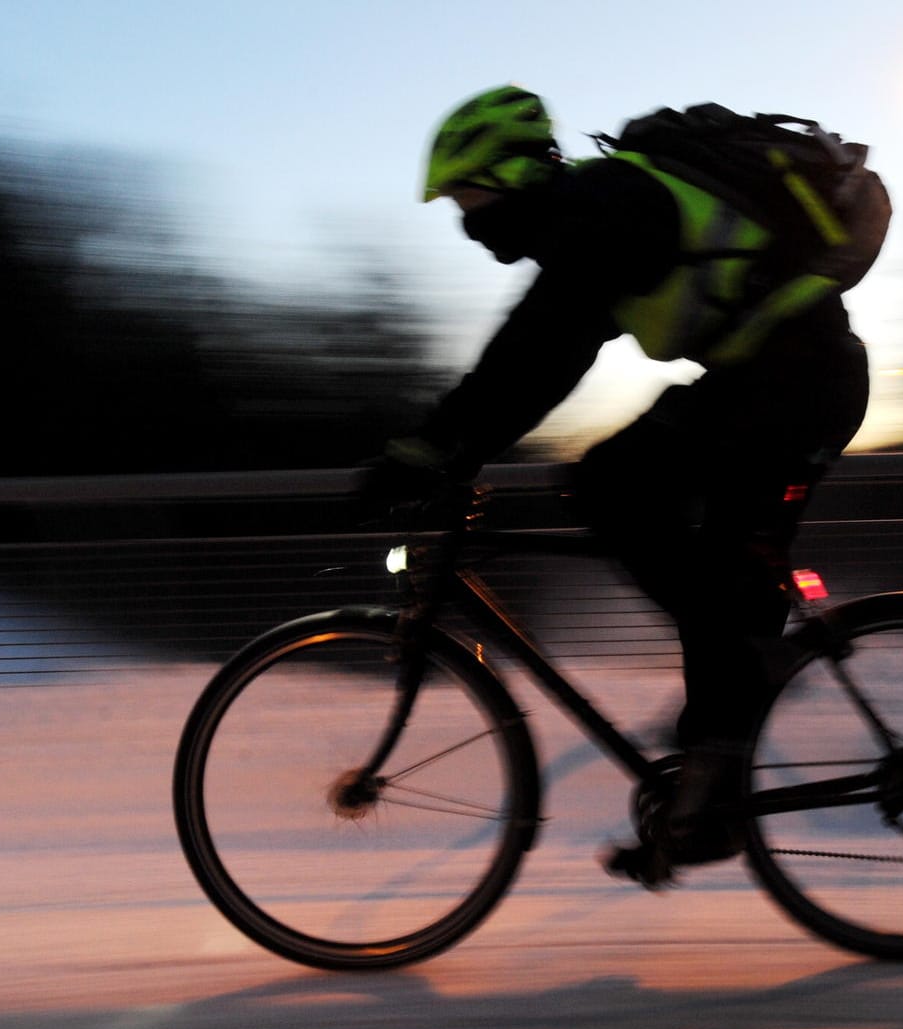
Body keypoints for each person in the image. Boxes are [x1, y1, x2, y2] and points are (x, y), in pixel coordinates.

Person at [365, 85, 871, 887]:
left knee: (612, 485)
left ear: (508, 176)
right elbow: (543, 356)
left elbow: (536, 350)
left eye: (468, 195)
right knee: (683, 542)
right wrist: (452, 444)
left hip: (794, 384)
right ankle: (716, 763)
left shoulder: (605, 206)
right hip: (774, 380)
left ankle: (737, 690)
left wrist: (433, 449)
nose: (465, 219)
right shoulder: (599, 215)